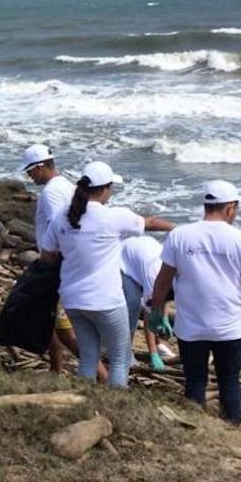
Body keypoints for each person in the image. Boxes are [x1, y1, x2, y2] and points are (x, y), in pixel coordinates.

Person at [39, 161, 174, 388]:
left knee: (89, 356)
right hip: (106, 301)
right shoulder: (113, 217)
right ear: (105, 189)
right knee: (120, 357)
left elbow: (47, 257)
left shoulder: (62, 216)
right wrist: (176, 229)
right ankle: (116, 404)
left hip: (73, 300)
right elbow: (149, 223)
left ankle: (85, 400)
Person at [149, 180, 241, 423]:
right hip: (230, 328)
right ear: (230, 208)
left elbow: (162, 282)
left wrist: (157, 312)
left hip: (191, 328)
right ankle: (234, 424)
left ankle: (197, 428)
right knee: (230, 384)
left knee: (195, 384)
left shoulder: (180, 235)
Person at [18, 144, 83, 375]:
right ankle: (57, 367)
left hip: (56, 263)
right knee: (51, 318)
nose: (28, 176)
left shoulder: (51, 192)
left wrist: (51, 260)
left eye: (30, 171)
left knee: (58, 323)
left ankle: (97, 369)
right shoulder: (67, 185)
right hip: (63, 261)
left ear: (40, 167)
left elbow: (60, 226)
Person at [121, 235, 168, 371]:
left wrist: (164, 318)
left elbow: (164, 297)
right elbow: (149, 316)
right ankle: (125, 353)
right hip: (124, 259)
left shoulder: (176, 275)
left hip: (145, 249)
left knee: (155, 309)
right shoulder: (154, 278)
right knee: (133, 306)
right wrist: (152, 354)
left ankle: (157, 345)